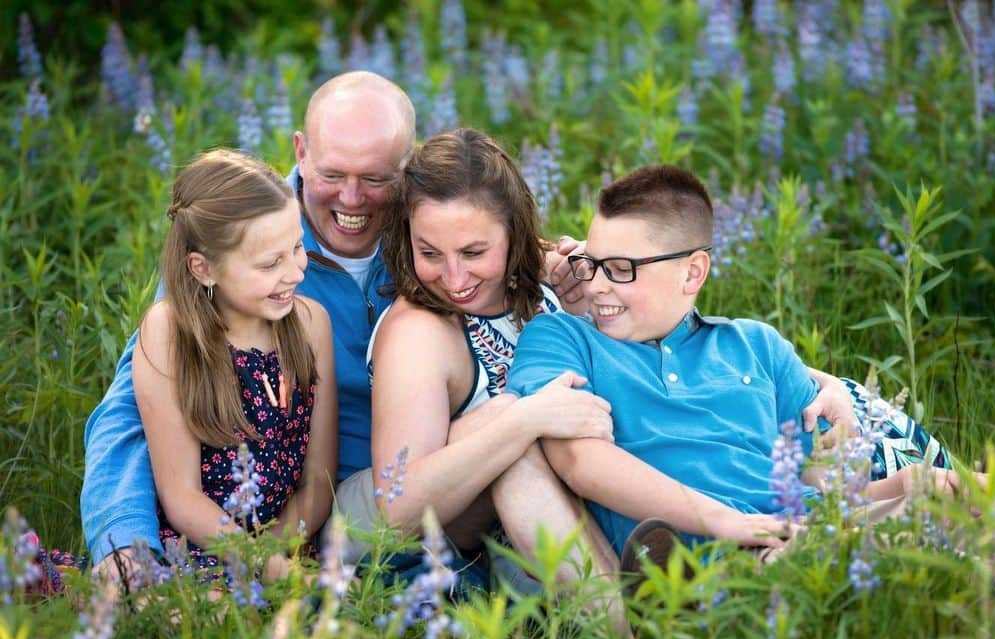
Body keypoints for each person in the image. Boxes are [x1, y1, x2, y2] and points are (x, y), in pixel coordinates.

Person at [81, 71, 582, 580]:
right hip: (342, 509)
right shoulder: (243, 239)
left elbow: (492, 246)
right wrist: (125, 542)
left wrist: (571, 269)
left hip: (430, 478)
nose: (351, 199)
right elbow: (130, 413)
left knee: (521, 429)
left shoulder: (428, 235)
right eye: (333, 174)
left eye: (375, 179)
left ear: (407, 169)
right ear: (300, 151)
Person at [505, 164, 995, 567]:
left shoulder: (757, 346)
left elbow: (818, 487)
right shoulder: (561, 339)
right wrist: (732, 524)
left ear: (692, 273)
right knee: (988, 570)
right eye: (594, 264)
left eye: (622, 268)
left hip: (809, 531)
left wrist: (894, 482)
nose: (597, 286)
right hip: (723, 554)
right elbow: (581, 462)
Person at [345, 127, 620, 588]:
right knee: (508, 427)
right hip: (382, 530)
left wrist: (592, 298)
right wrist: (523, 421)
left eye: (474, 252)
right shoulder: (419, 331)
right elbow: (399, 508)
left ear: (513, 233)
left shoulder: (546, 283)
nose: (453, 278)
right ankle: (624, 635)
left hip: (515, 512)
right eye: (428, 252)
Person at [132, 149, 335, 576]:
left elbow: (319, 480)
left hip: (289, 540)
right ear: (204, 269)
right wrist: (258, 561)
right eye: (269, 263)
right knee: (210, 616)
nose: (296, 272)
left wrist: (275, 557)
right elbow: (180, 496)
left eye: (296, 247)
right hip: (196, 545)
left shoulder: (311, 324)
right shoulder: (171, 332)